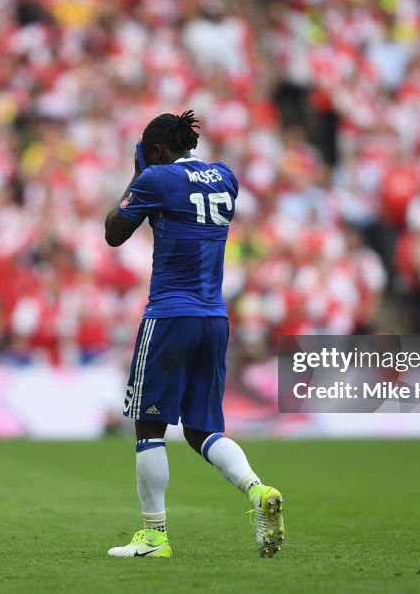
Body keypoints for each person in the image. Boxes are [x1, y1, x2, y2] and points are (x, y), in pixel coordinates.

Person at [103, 110, 285, 558]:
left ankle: (154, 536)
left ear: (158, 152)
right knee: (202, 428)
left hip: (169, 315)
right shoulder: (226, 177)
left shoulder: (155, 179)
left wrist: (137, 174)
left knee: (150, 425)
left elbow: (113, 233)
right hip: (214, 318)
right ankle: (258, 491)